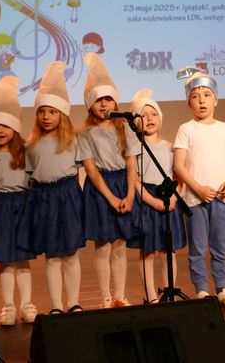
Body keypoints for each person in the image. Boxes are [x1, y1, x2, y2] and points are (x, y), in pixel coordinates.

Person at [18, 61, 86, 314]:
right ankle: (56, 305)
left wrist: (77, 200)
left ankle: (73, 302)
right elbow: (29, 176)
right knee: (52, 255)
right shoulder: (31, 145)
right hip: (43, 197)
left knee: (71, 253)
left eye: (52, 112)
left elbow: (79, 171)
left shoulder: (73, 140)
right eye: (42, 112)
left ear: (62, 115)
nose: (46, 117)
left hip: (68, 195)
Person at [173, 67, 225, 310]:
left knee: (221, 245)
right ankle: (201, 289)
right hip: (195, 199)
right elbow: (179, 166)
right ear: (189, 102)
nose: (202, 100)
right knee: (198, 247)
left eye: (206, 94)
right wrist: (198, 188)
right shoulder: (186, 129)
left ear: (216, 99)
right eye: (195, 96)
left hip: (222, 197)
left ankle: (222, 288)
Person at [77, 52, 139, 308]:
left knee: (120, 245)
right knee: (102, 247)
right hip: (100, 190)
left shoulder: (124, 126)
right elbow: (91, 170)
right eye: (98, 100)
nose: (104, 104)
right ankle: (105, 297)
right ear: (90, 104)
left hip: (123, 185)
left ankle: (120, 295)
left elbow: (132, 163)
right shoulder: (85, 133)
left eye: (108, 99)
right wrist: (112, 198)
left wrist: (130, 195)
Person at [0, 76, 38, 325]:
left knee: (23, 260)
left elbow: (33, 184)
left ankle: (26, 303)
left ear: (15, 128)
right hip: (0, 208)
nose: (0, 130)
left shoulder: (26, 153)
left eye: (5, 125)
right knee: (6, 260)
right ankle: (8, 306)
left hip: (23, 207)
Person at [127, 88, 186, 304]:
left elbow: (178, 175)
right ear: (136, 123)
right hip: (147, 200)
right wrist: (152, 201)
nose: (149, 119)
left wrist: (174, 199)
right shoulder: (135, 150)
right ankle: (151, 296)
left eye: (153, 114)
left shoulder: (170, 147)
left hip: (169, 197)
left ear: (160, 119)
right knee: (147, 252)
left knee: (168, 250)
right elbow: (135, 180)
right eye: (143, 115)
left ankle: (169, 292)